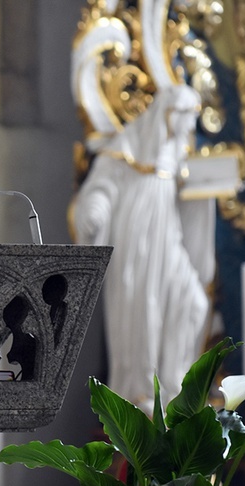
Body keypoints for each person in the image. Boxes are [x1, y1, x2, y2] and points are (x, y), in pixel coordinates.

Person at [72, 84, 210, 412]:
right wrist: (94, 210)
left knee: (194, 303)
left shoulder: (176, 150)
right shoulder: (128, 145)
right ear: (169, 113)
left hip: (169, 240)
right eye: (188, 117)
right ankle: (141, 390)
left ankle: (174, 387)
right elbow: (102, 184)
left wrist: (208, 187)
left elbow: (189, 196)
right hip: (137, 244)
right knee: (143, 312)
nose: (191, 127)